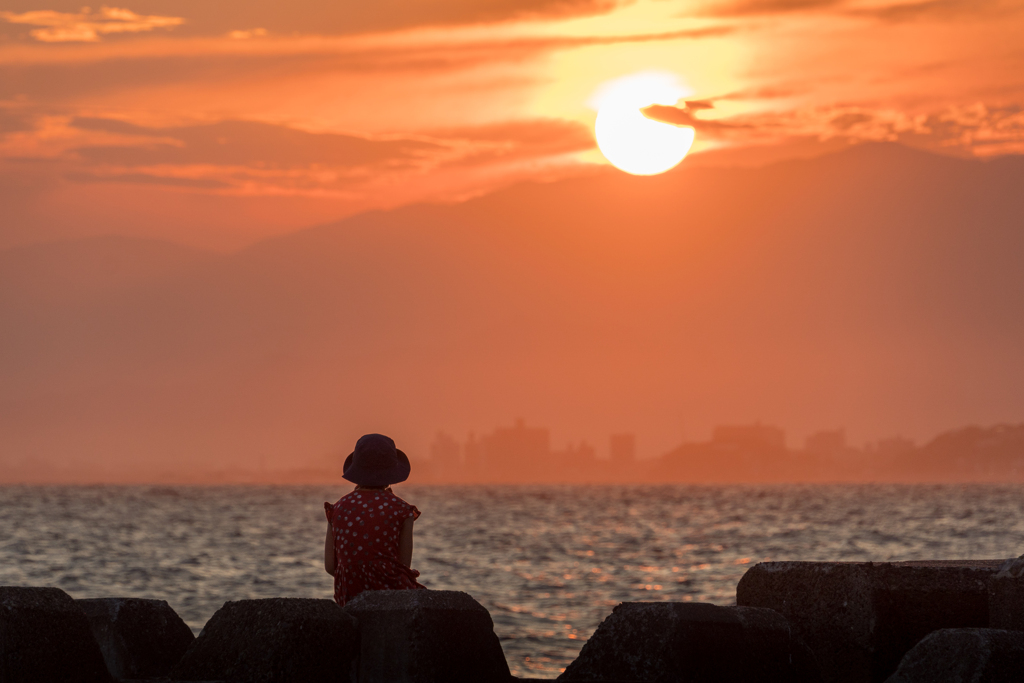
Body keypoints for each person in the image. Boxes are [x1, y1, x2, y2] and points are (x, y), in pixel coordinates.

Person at [324, 433, 425, 605]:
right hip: (390, 596)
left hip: (348, 595)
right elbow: (403, 567)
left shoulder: (337, 508)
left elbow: (331, 567)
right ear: (392, 473)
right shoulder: (402, 510)